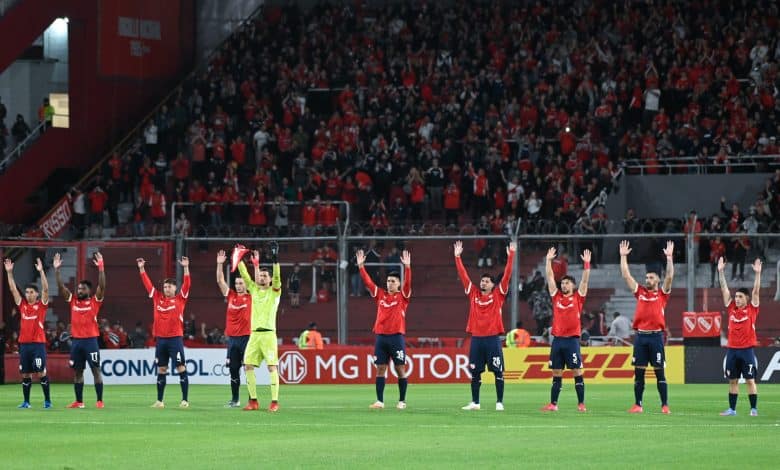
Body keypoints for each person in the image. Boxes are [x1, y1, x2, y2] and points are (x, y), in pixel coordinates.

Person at [454, 239, 516, 411]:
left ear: (493, 285)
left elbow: (507, 274)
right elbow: (463, 275)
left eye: (487, 281)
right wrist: (457, 257)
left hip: (492, 339)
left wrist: (511, 256)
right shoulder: (473, 293)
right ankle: (475, 402)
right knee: (475, 372)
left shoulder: (498, 295)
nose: (483, 283)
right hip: (477, 339)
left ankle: (499, 402)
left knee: (497, 372)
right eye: (482, 281)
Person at [619, 240, 674, 414]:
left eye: (651, 277)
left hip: (656, 336)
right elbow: (627, 276)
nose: (647, 280)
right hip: (641, 337)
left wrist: (670, 258)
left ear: (658, 279)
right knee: (639, 373)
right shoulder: (640, 292)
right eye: (647, 277)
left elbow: (670, 277)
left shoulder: (662, 294)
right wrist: (623, 257)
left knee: (659, 373)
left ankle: (664, 405)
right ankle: (638, 404)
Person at [357, 248, 412, 410]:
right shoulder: (379, 295)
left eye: (393, 281)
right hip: (381, 338)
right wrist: (361, 267)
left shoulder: (403, 297)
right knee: (380, 369)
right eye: (388, 281)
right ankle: (380, 401)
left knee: (400, 369)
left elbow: (408, 283)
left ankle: (402, 401)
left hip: (396, 337)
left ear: (399, 284)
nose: (390, 283)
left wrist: (408, 267)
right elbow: (368, 282)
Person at [231, 242, 282, 412]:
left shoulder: (274, 291)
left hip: (268, 335)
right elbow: (245, 275)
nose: (261, 278)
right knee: (247, 366)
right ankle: (253, 400)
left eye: (265, 277)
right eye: (260, 275)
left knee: (271, 367)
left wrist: (275, 259)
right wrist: (238, 259)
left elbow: (277, 278)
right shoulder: (252, 288)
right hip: (254, 335)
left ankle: (274, 402)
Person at [53, 251, 106, 409]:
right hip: (76, 342)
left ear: (89, 291)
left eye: (82, 289)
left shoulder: (95, 301)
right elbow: (61, 287)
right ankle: (79, 401)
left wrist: (101, 268)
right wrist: (56, 270)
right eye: (78, 288)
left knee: (96, 370)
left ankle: (99, 400)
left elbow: (102, 286)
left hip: (91, 341)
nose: (79, 291)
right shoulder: (73, 301)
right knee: (77, 372)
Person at [541, 247, 591, 412]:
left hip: (571, 341)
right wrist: (548, 261)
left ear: (573, 285)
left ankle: (581, 403)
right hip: (558, 340)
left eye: (567, 282)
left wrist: (586, 265)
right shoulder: (556, 297)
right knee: (556, 372)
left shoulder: (578, 297)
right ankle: (553, 404)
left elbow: (584, 282)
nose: (564, 285)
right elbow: (549, 277)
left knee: (577, 371)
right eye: (562, 282)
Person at [137, 256, 191, 408]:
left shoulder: (181, 299)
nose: (166, 289)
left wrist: (186, 268)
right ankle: (160, 401)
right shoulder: (157, 298)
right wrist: (142, 269)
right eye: (165, 287)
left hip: (175, 339)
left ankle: (185, 400)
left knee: (181, 368)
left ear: (175, 288)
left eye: (169, 287)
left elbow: (187, 284)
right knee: (161, 369)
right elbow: (147, 285)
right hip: (161, 340)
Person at [4, 257, 52, 408]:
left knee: (41, 372)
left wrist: (41, 271)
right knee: (25, 374)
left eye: (31, 292)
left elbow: (45, 289)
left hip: (38, 344)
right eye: (26, 292)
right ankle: (26, 402)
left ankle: (47, 401)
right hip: (24, 345)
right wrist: (9, 273)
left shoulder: (41, 306)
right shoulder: (22, 305)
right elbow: (12, 290)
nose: (28, 294)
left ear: (36, 294)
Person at [717, 257, 762, 416]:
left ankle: (753, 409)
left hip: (747, 351)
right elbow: (724, 290)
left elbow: (756, 291)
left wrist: (757, 274)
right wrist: (720, 272)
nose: (736, 299)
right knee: (733, 380)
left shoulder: (752, 309)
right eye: (736, 297)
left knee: (750, 380)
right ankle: (732, 409)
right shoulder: (731, 309)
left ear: (747, 299)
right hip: (732, 351)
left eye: (740, 297)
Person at [216, 250, 252, 408]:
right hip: (232, 340)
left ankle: (253, 399)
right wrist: (220, 263)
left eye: (241, 283)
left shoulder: (252, 297)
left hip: (247, 338)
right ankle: (235, 399)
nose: (238, 286)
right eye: (236, 283)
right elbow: (219, 280)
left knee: (248, 370)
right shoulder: (230, 295)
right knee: (233, 370)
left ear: (246, 283)